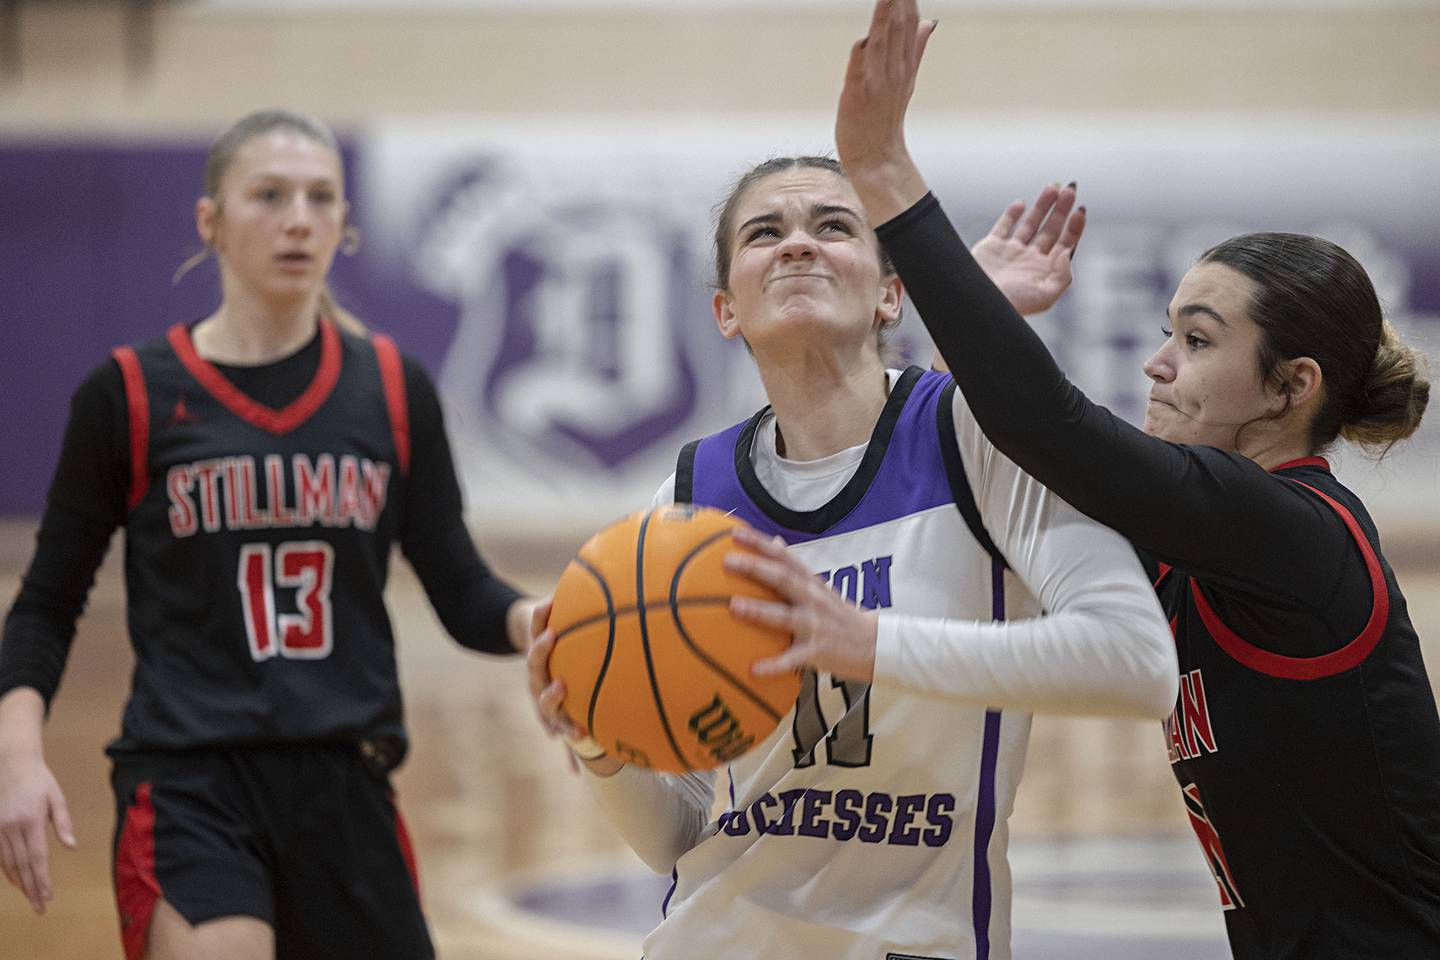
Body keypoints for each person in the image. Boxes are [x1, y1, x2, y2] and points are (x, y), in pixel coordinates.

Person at [831, 2, 1440, 957]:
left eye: (1197, 341)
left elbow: (1046, 425)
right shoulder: (1188, 544)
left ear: (1291, 387)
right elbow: (970, 464)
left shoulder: (1293, 532)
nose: (1157, 364)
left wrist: (883, 175)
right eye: (1168, 333)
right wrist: (962, 327)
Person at [525, 141, 1181, 955]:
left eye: (833, 226)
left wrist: (868, 643)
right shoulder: (692, 499)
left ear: (891, 295)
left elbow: (1137, 663)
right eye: (765, 233)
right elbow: (676, 837)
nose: (798, 243)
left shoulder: (978, 434)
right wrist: (595, 737)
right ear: (726, 310)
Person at [0, 109, 533, 960]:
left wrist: (540, 623)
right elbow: (46, 603)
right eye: (270, 196)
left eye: (321, 198)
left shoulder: (392, 389)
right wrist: (16, 756)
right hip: (190, 780)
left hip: (347, 782)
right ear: (210, 221)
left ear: (343, 223)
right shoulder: (131, 394)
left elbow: (459, 584)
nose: (298, 219)